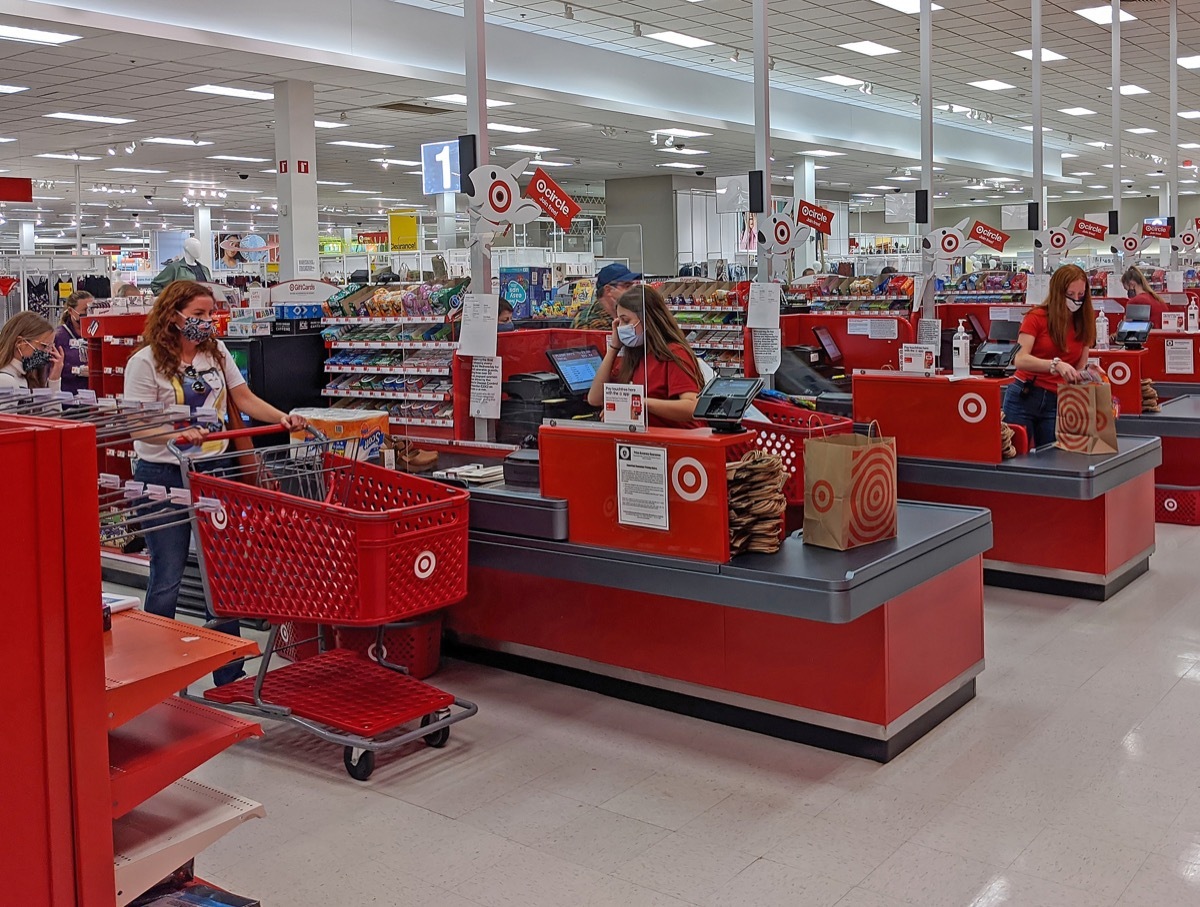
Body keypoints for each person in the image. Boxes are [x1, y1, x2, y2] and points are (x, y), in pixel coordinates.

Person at [124, 280, 307, 684]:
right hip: (164, 474)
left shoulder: (216, 352)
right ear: (173, 316)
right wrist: (174, 435)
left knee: (222, 572)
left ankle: (229, 674)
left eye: (210, 315)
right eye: (199, 315)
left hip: (214, 472)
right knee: (168, 573)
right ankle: (157, 671)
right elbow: (138, 427)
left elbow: (243, 398)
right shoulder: (145, 362)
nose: (207, 323)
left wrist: (281, 416)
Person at [1002, 264, 1096, 448]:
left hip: (1058, 400)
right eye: (1071, 294)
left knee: (1053, 460)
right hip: (1023, 396)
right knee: (1014, 457)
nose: (1076, 300)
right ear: (1058, 292)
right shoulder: (1036, 317)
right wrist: (1055, 365)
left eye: (1081, 295)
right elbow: (1019, 359)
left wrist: (1088, 373)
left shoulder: (1085, 320)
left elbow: (1080, 365)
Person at [587, 285, 703, 429]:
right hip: (646, 444)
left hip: (680, 442)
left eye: (626, 321)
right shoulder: (634, 356)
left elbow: (692, 407)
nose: (620, 327)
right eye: (618, 322)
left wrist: (640, 402)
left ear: (647, 320)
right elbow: (595, 398)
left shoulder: (673, 353)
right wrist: (614, 348)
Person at [0, 311, 64, 391]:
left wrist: (54, 379)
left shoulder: (25, 377)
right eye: (44, 346)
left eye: (50, 347)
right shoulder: (6, 381)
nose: (48, 353)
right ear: (20, 343)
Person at [573, 263, 642, 330]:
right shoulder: (591, 324)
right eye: (627, 286)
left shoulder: (619, 315)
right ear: (608, 290)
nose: (632, 290)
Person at [54, 290, 93, 395]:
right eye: (85, 310)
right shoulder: (59, 336)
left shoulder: (96, 333)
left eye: (92, 309)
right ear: (71, 311)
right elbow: (52, 367)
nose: (88, 313)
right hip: (69, 394)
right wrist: (76, 370)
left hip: (93, 393)